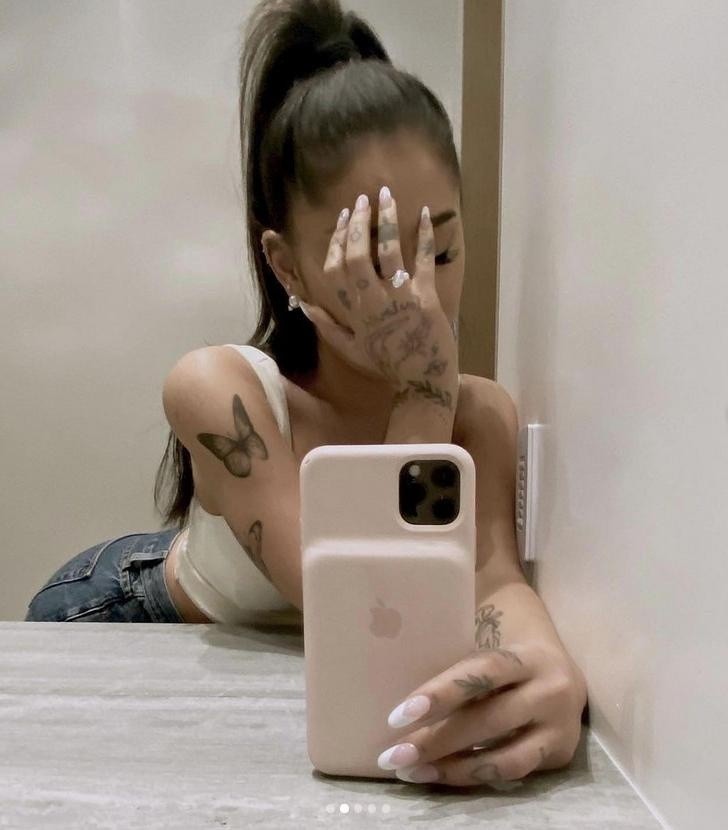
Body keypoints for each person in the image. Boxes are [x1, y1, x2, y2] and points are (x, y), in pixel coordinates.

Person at [25, 0, 587, 787]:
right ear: (288, 267)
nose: (417, 293)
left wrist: (543, 669)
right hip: (129, 616)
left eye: (442, 249)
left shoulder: (482, 415)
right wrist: (420, 394)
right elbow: (354, 607)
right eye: (372, 258)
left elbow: (491, 583)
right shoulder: (219, 391)